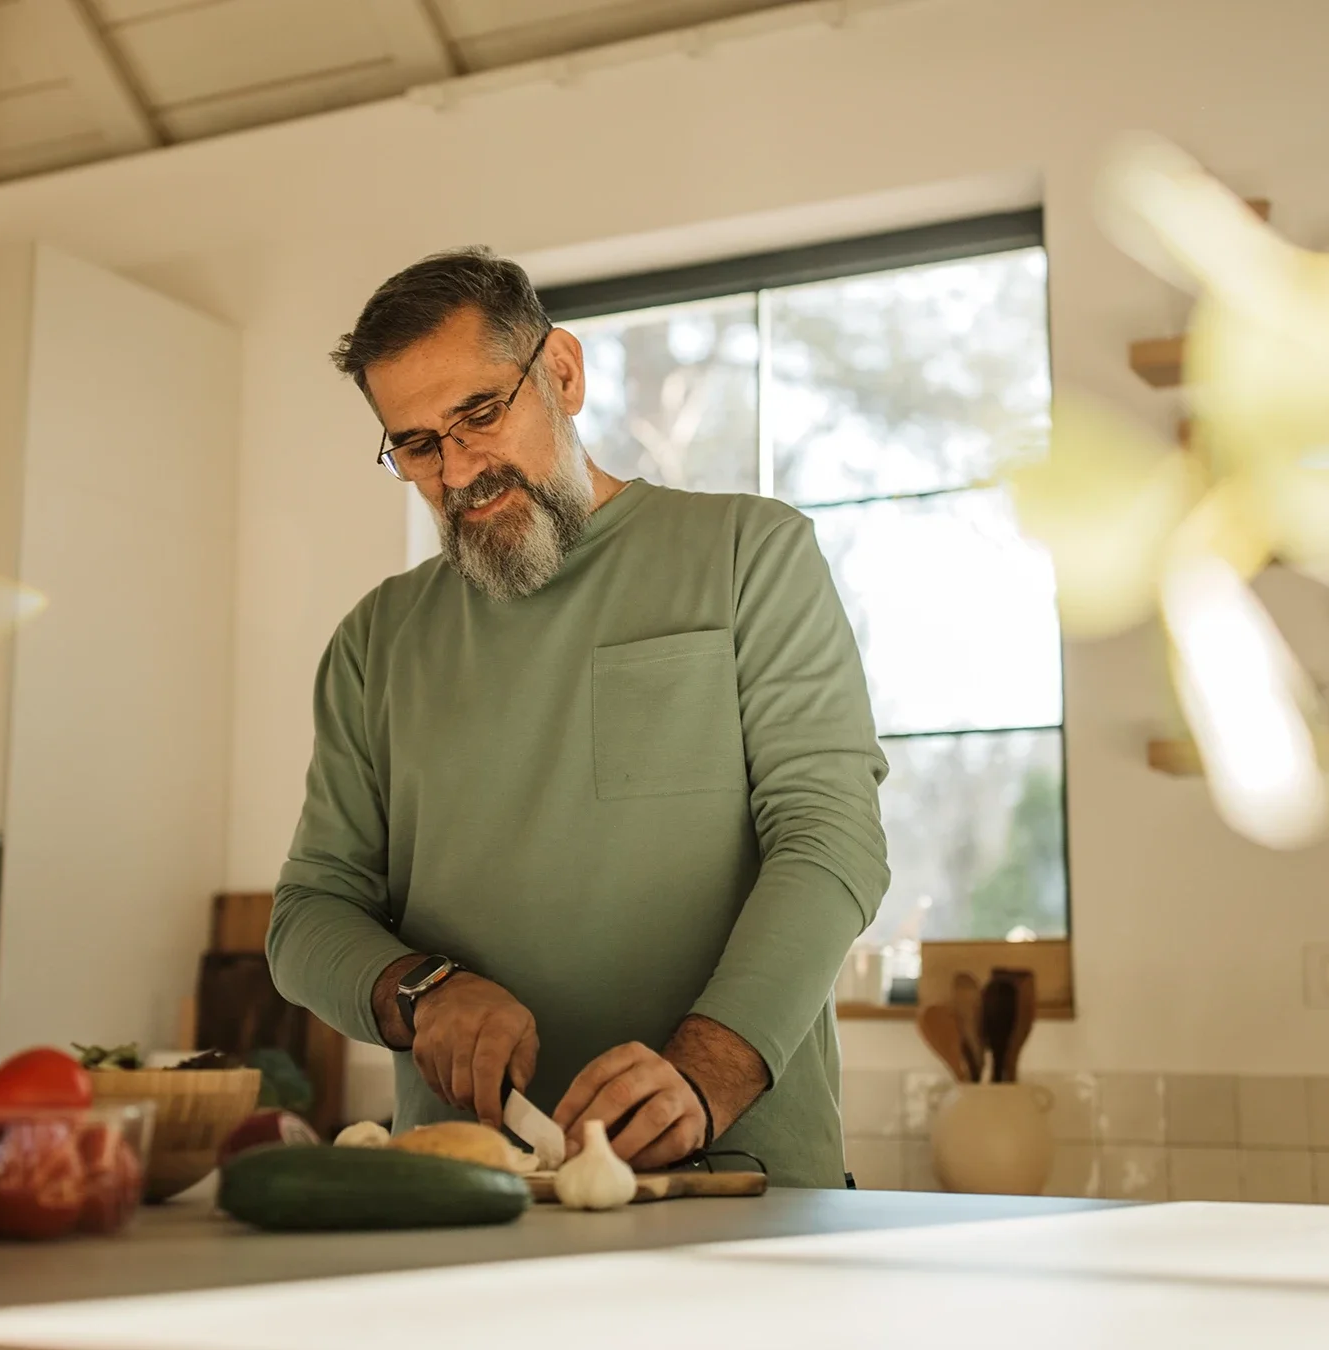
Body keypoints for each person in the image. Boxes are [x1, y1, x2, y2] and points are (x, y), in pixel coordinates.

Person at [265, 246, 889, 1188]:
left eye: (480, 412)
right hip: (468, 1197)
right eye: (420, 445)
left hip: (739, 1176)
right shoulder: (375, 642)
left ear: (561, 372)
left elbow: (830, 839)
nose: (462, 467)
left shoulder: (749, 555)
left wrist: (705, 1073)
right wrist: (422, 991)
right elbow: (307, 916)